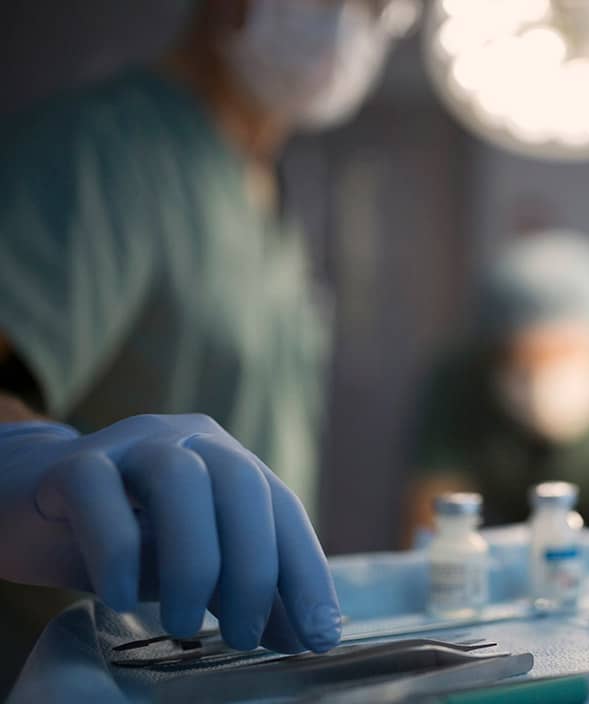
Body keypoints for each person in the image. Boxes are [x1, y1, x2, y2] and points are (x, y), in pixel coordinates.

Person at [0, 0, 407, 689]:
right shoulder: (100, 149)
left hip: (218, 666)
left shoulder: (264, 190)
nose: (351, 22)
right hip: (78, 669)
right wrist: (33, 470)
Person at [406, 231, 589, 543]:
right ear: (490, 356)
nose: (544, 384)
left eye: (567, 354)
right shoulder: (457, 382)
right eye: (523, 361)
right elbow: (433, 539)